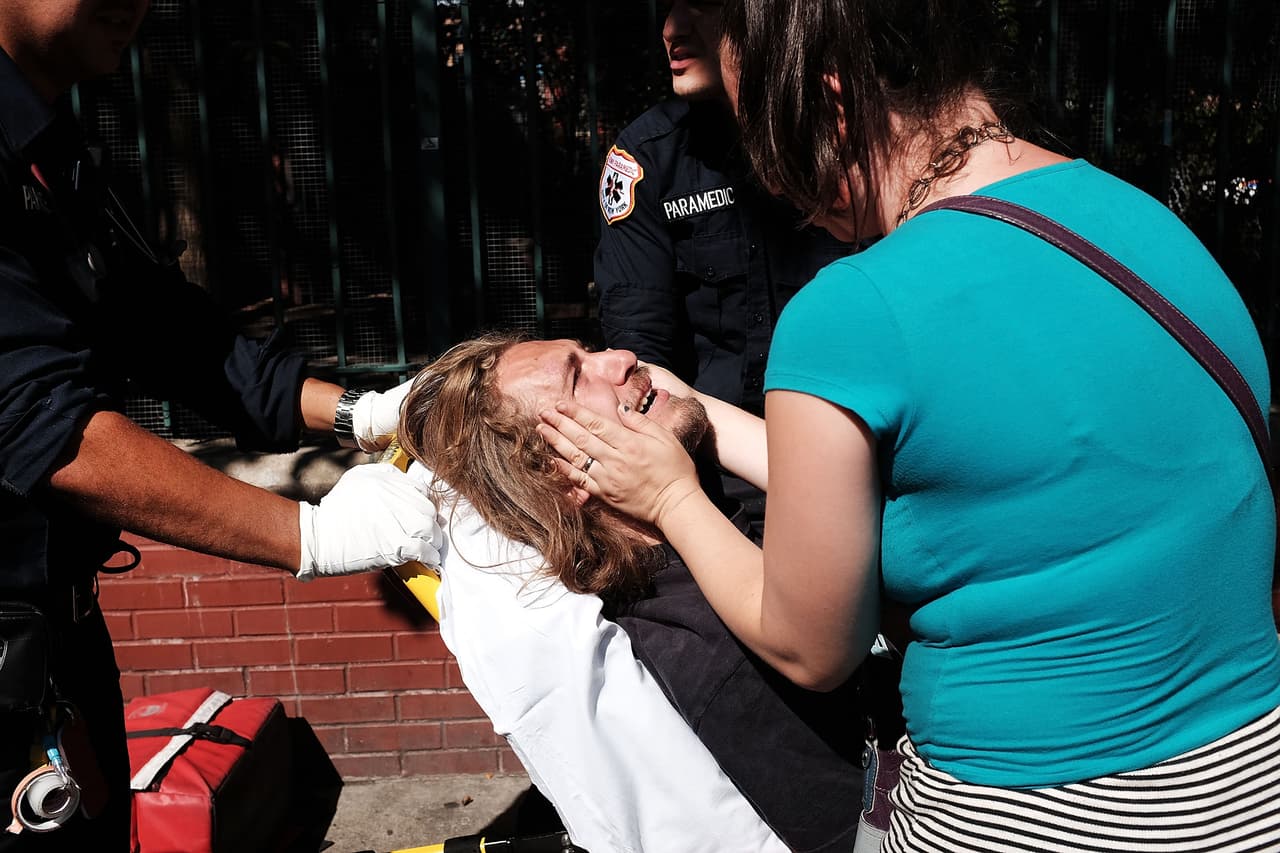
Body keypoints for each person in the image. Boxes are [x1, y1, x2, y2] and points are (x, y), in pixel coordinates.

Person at [537, 0, 1280, 849]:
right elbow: (996, 476)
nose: (777, 189)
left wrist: (671, 496)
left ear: (830, 105)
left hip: (1034, 812)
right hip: (1253, 780)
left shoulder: (852, 310)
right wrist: (693, 408)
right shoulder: (1144, 222)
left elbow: (811, 645)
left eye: (765, 137)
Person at [0, 3, 441, 850]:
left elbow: (177, 336)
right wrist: (311, 532)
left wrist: (365, 412)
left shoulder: (50, 146)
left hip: (59, 647)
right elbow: (43, 425)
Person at [397, 332, 866, 853]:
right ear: (563, 474)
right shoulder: (703, 654)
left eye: (590, 349)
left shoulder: (708, 519)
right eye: (579, 377)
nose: (622, 358)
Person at [595, 0, 851, 533]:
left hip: (855, 461)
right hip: (717, 479)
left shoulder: (850, 141)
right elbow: (641, 355)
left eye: (702, 6)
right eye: (666, 7)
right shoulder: (646, 157)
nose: (671, 29)